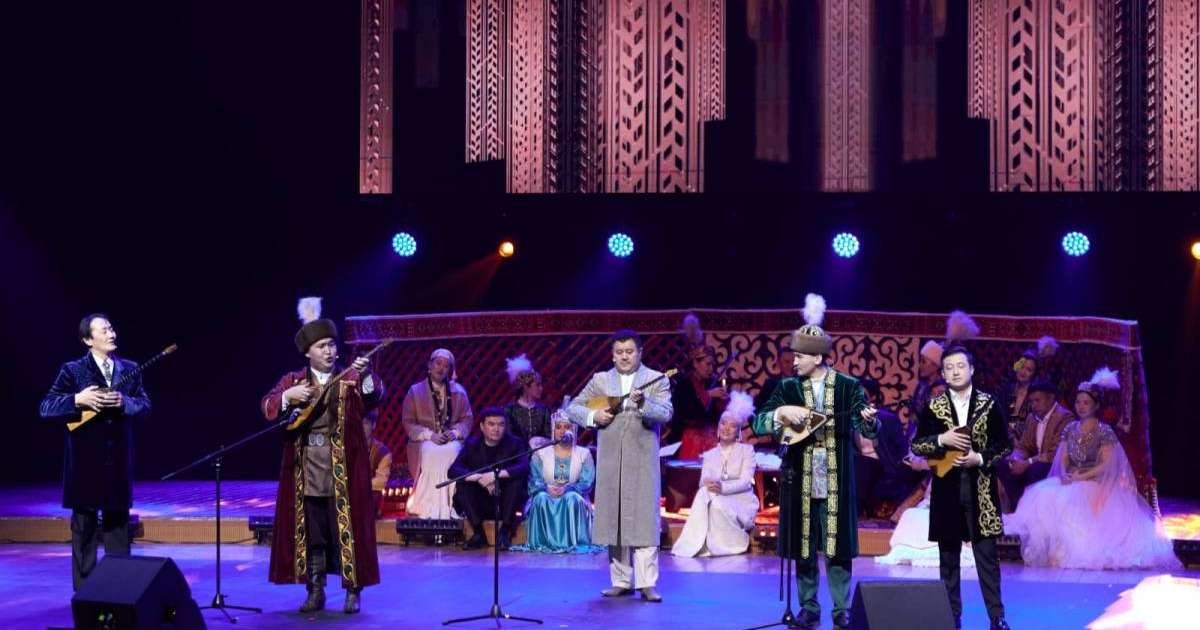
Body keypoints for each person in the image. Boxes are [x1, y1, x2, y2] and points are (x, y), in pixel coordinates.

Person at [750, 294, 879, 630]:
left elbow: (867, 427)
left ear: (819, 357)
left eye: (800, 356)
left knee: (837, 544)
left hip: (835, 473)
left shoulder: (848, 387)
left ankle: (841, 609)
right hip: (800, 472)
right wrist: (780, 412)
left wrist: (869, 420)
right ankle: (809, 607)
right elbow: (758, 422)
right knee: (804, 543)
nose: (793, 362)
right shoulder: (788, 387)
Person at [260, 297, 382, 614]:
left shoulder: (351, 379)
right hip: (307, 468)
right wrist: (287, 397)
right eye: (321, 347)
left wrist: (367, 375)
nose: (329, 351)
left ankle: (353, 592)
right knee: (314, 533)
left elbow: (375, 395)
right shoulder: (294, 381)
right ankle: (315, 590)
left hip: (344, 465)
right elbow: (268, 406)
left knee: (347, 530)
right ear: (307, 353)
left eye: (331, 345)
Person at [1004, 370, 1179, 569]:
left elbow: (1105, 464)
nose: (1081, 406)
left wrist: (1082, 477)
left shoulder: (1104, 431)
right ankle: (1057, 551)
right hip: (1073, 479)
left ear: (1095, 405)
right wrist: (1065, 474)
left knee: (1075, 502)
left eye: (1086, 402)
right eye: (1078, 402)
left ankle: (1075, 552)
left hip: (1094, 482)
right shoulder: (1070, 429)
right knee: (1045, 496)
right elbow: (1063, 458)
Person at [39, 313, 152, 590]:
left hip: (117, 462)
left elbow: (145, 405)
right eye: (104, 330)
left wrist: (124, 402)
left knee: (118, 531)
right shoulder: (73, 370)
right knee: (84, 531)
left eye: (112, 328)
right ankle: (86, 595)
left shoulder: (129, 368)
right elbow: (46, 407)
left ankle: (120, 593)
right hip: (84, 463)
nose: (111, 333)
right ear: (88, 340)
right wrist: (78, 399)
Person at [567, 329, 673, 603]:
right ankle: (621, 580)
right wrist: (593, 415)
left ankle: (648, 583)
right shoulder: (600, 381)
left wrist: (644, 403)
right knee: (614, 518)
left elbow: (666, 413)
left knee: (643, 519)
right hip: (612, 460)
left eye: (629, 352)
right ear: (612, 355)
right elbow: (573, 408)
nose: (624, 357)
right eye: (619, 352)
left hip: (642, 459)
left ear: (639, 353)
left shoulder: (655, 379)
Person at [911, 345, 1011, 630]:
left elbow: (1005, 445)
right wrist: (942, 440)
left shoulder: (989, 404)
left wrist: (980, 458)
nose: (955, 372)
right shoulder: (934, 406)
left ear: (972, 370)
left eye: (960, 366)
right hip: (947, 489)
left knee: (987, 559)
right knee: (949, 559)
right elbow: (918, 444)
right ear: (943, 373)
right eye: (949, 368)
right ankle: (951, 616)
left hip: (981, 491)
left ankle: (997, 617)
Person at [672, 391, 759, 557]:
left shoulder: (747, 451)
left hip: (741, 500)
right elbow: (703, 481)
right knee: (705, 493)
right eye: (723, 424)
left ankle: (733, 544)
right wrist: (710, 484)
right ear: (718, 429)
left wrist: (722, 488)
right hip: (715, 496)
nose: (726, 428)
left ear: (738, 432)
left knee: (715, 502)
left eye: (732, 425)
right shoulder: (710, 454)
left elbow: (746, 482)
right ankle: (695, 544)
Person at [512, 408, 602, 553]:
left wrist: (568, 488)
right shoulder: (540, 453)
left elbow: (587, 482)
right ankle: (542, 543)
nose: (562, 431)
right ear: (553, 430)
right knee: (541, 498)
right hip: (545, 492)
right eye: (558, 427)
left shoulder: (584, 454)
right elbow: (533, 480)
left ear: (573, 429)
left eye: (567, 427)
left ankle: (573, 542)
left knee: (572, 499)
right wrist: (546, 488)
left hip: (573, 494)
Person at [402, 348, 473, 518]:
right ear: (430, 365)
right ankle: (426, 506)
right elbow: (408, 422)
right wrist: (430, 435)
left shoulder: (459, 392)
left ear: (450, 370)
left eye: (446, 366)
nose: (441, 368)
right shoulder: (415, 391)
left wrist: (454, 433)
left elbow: (467, 419)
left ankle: (450, 505)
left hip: (449, 440)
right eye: (438, 363)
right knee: (430, 451)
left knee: (453, 450)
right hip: (425, 441)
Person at [449, 408, 530, 550]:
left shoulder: (515, 443)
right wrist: (479, 478)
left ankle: (505, 532)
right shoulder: (472, 444)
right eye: (491, 424)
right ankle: (478, 534)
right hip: (482, 502)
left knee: (517, 482)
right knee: (463, 483)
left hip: (506, 502)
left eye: (501, 424)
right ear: (482, 426)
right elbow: (453, 470)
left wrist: (496, 476)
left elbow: (524, 466)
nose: (496, 429)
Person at [994, 380, 1073, 512]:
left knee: (1034, 471)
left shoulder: (1064, 418)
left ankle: (1026, 510)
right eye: (1031, 401)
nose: (1033, 405)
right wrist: (1016, 458)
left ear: (1051, 398)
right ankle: (1020, 507)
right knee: (1003, 465)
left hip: (1055, 465)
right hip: (1035, 462)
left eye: (1037, 400)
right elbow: (1025, 445)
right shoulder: (1032, 417)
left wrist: (1027, 463)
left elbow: (1056, 453)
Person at [853, 378, 922, 519]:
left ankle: (857, 513)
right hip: (859, 469)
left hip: (883, 468)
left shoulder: (887, 419)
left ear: (871, 397)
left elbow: (901, 451)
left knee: (861, 464)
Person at [669, 313, 727, 458]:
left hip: (711, 438)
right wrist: (708, 395)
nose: (710, 368)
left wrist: (722, 401)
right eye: (707, 364)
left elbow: (718, 416)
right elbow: (684, 413)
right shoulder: (684, 385)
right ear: (695, 363)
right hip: (690, 440)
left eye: (712, 364)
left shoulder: (714, 382)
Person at [502, 354, 552, 448]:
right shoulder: (509, 411)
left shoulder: (544, 410)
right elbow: (509, 438)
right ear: (526, 387)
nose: (541, 388)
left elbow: (549, 436)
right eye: (537, 385)